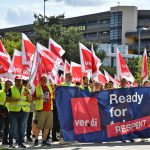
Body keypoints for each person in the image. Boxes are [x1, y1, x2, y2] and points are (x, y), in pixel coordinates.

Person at [7, 76, 32, 148]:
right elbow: (7, 99)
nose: (19, 82)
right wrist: (15, 100)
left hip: (24, 111)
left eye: (20, 80)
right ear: (15, 81)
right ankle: (11, 143)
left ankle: (21, 142)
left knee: (22, 127)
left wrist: (28, 94)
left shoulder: (26, 89)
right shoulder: (10, 89)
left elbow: (30, 100)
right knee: (13, 127)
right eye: (18, 80)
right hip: (13, 111)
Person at [33, 75, 53, 146]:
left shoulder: (49, 87)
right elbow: (33, 98)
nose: (45, 81)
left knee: (47, 126)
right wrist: (38, 98)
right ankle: (36, 139)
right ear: (40, 80)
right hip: (41, 109)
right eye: (43, 79)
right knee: (39, 126)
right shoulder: (37, 87)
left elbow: (52, 95)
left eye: (45, 79)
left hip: (49, 109)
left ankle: (44, 140)